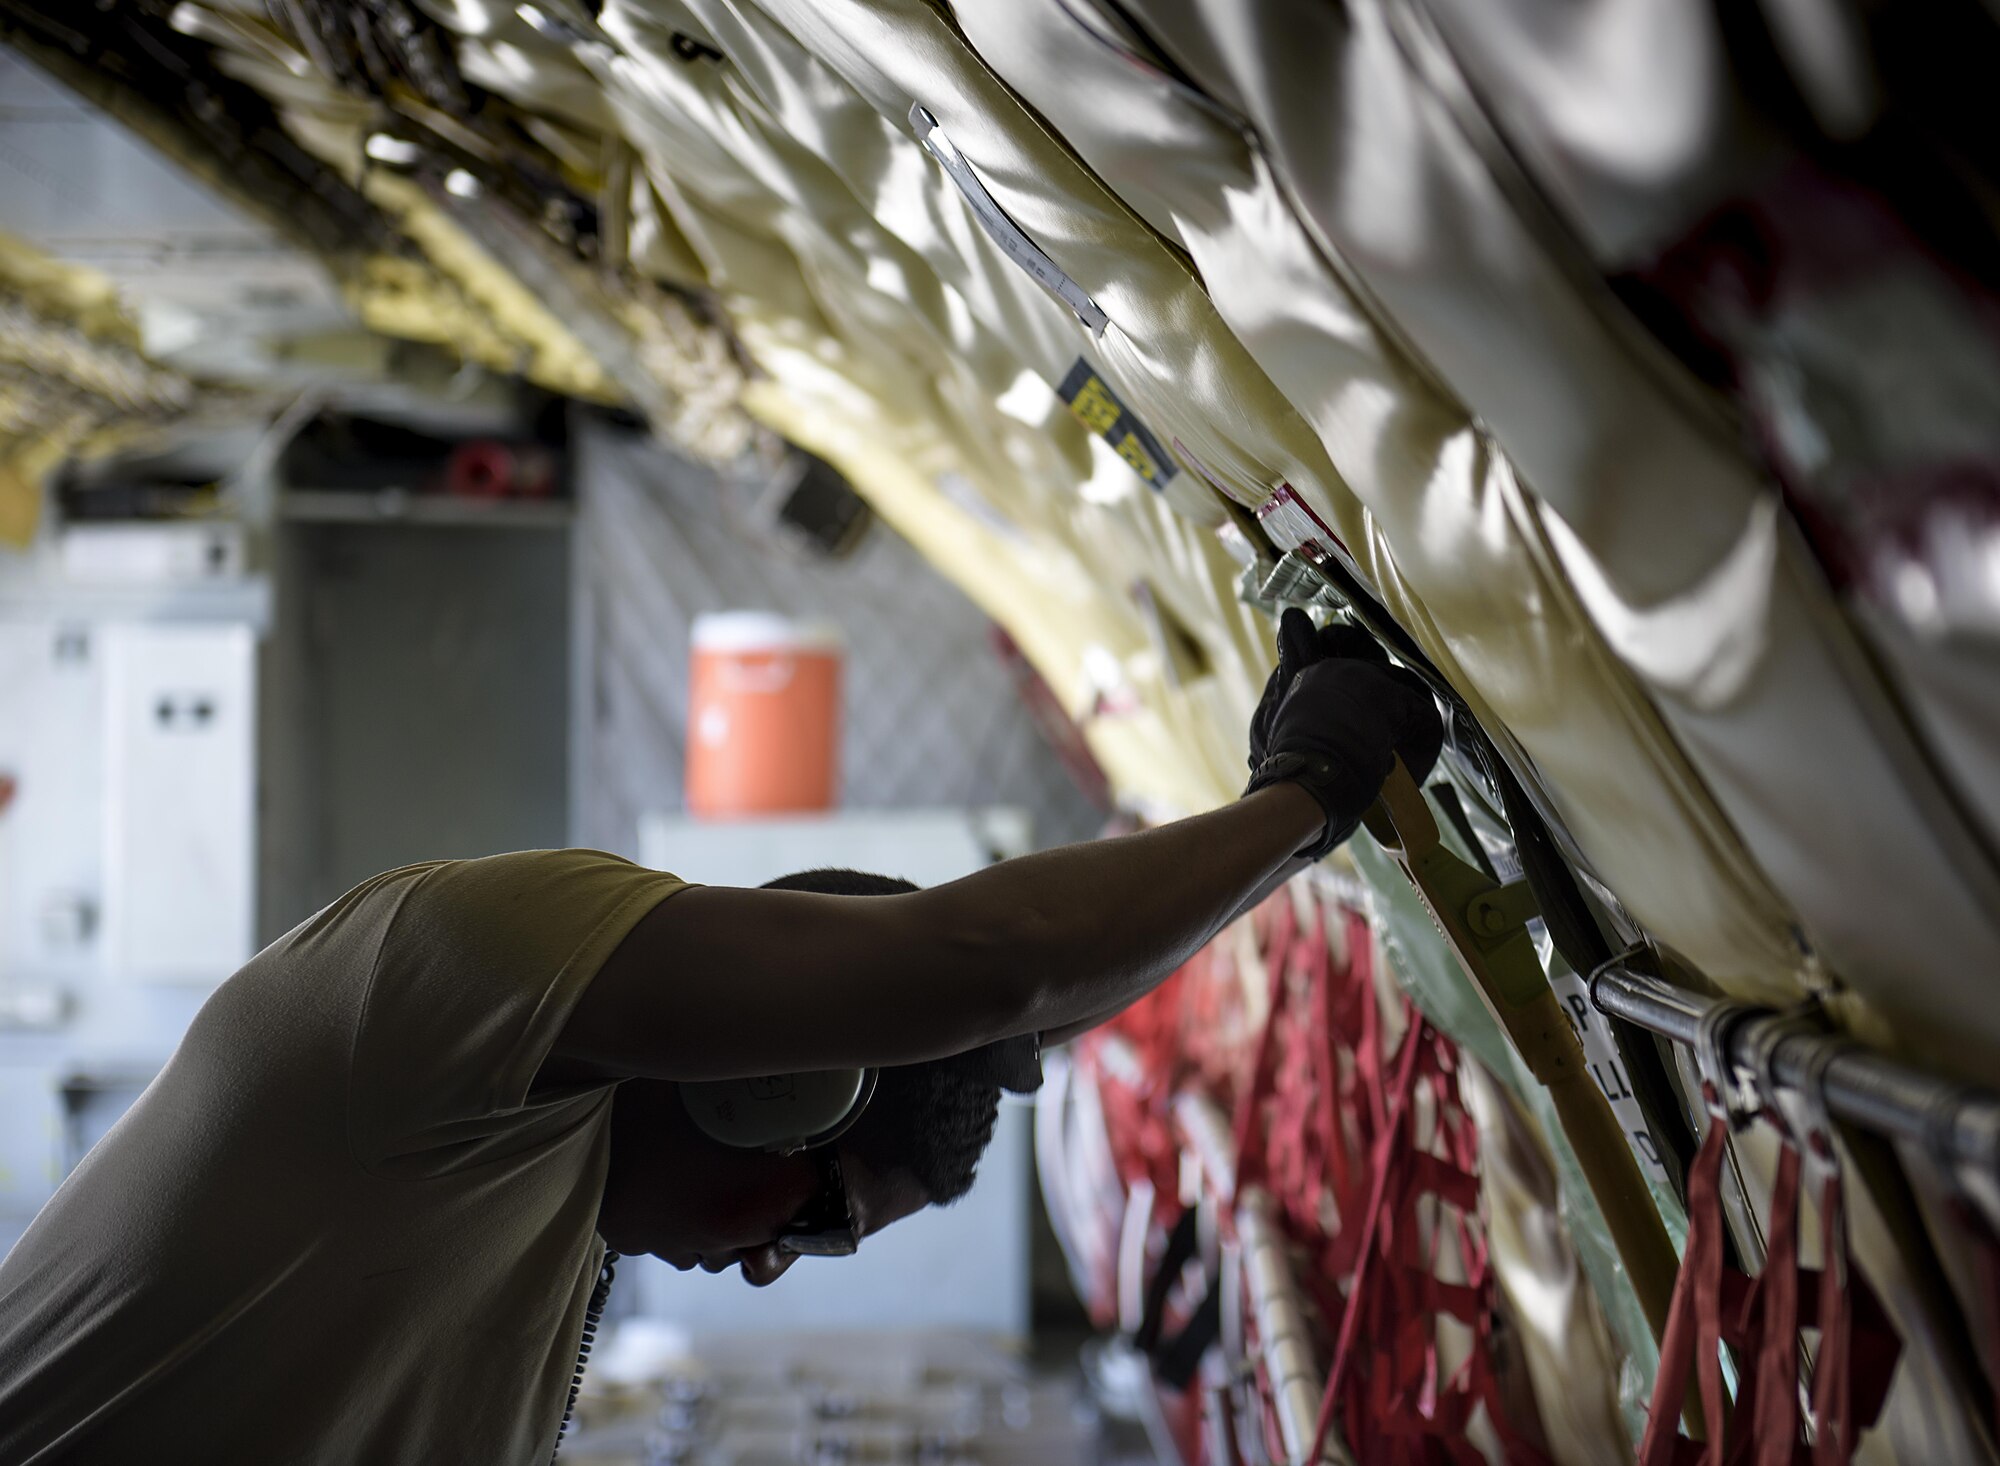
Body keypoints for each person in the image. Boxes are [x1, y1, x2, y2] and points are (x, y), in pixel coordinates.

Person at [0, 612, 1440, 1464]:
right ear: (779, 1092)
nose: (764, 1259)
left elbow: (1026, 1000)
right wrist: (1305, 794)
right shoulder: (444, 982)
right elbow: (994, 966)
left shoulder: (543, 1205)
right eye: (818, 1219)